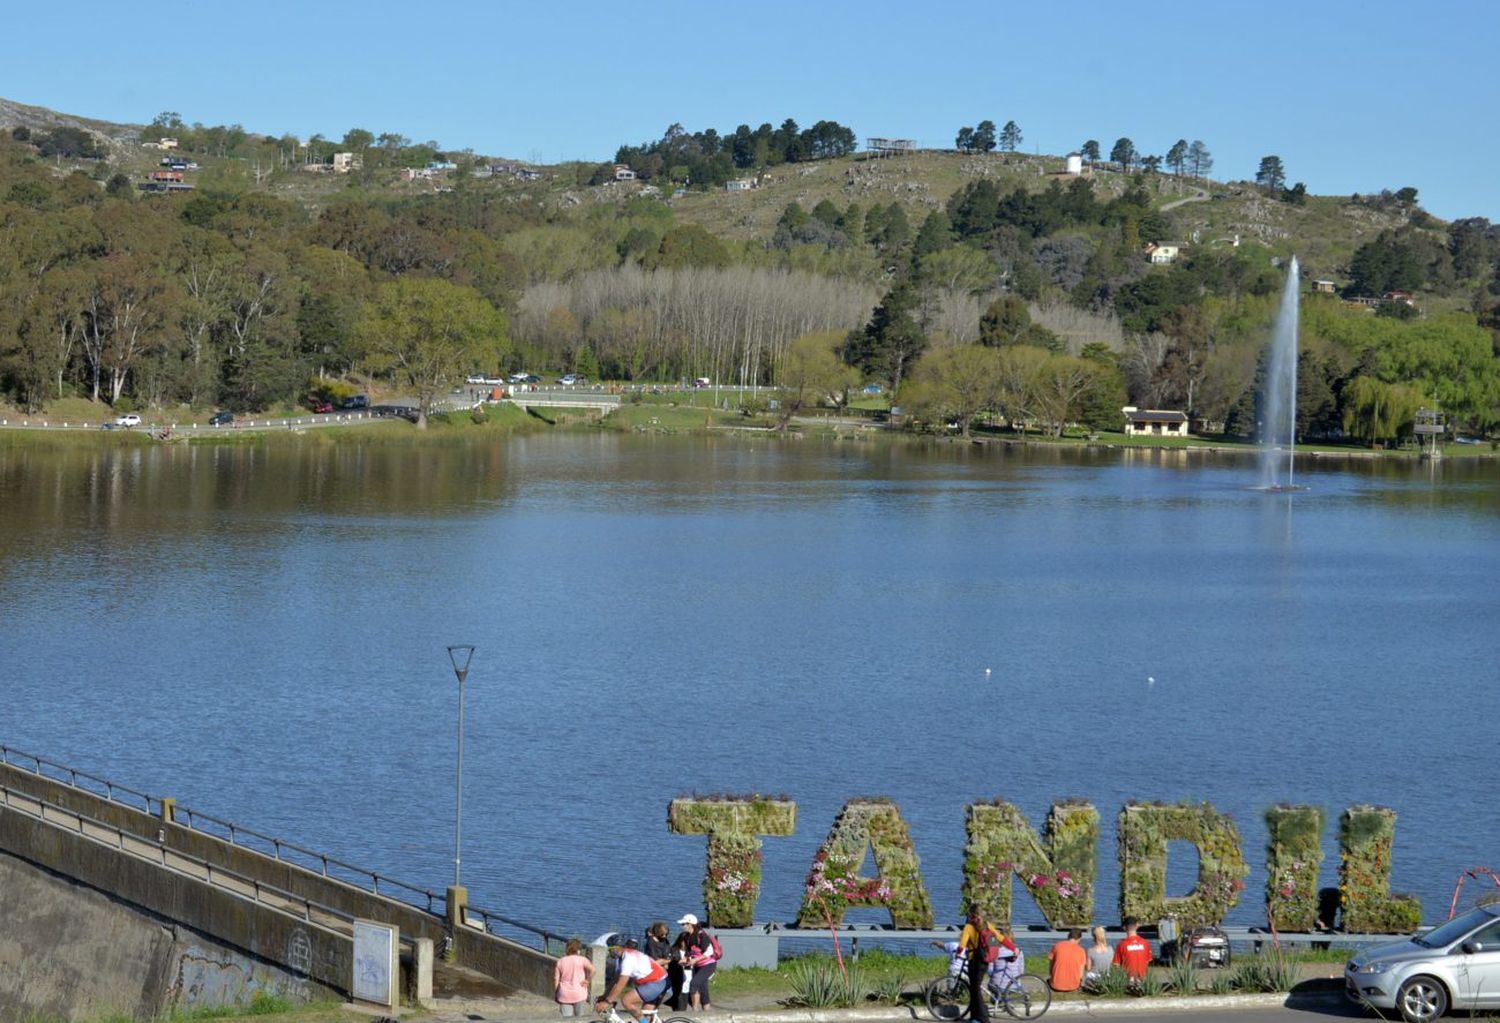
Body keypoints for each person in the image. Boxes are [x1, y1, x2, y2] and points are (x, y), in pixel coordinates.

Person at [595, 938, 668, 1021]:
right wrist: (605, 996)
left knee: (627, 1000)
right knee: (646, 1016)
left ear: (617, 948)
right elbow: (615, 981)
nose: (610, 952)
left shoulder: (628, 959)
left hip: (657, 982)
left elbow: (621, 983)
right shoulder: (622, 958)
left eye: (610, 949)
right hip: (656, 982)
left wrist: (607, 1002)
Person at [958, 905, 1001, 1023]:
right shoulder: (988, 925)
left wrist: (958, 953)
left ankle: (983, 1018)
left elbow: (962, 945)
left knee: (975, 990)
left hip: (974, 960)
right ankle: (974, 1016)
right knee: (973, 989)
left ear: (970, 915)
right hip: (984, 960)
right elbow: (998, 938)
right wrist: (1012, 948)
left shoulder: (968, 927)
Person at [678, 913, 717, 1011]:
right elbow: (689, 951)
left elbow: (709, 951)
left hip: (708, 965)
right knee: (703, 988)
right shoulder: (687, 936)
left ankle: (695, 1010)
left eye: (684, 924)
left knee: (694, 983)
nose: (682, 926)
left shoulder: (702, 935)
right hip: (697, 965)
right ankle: (707, 1011)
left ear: (690, 924)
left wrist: (695, 960)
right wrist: (686, 959)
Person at [554, 938, 595, 1016]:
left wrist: (556, 993)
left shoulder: (560, 961)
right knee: (579, 1018)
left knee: (566, 1019)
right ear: (578, 950)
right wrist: (588, 980)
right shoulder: (583, 960)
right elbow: (593, 970)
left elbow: (556, 979)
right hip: (579, 992)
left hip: (564, 993)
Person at [644, 922, 680, 1008]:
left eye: (666, 934)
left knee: (667, 991)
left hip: (663, 971)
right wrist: (668, 960)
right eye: (662, 934)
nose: (664, 936)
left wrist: (667, 960)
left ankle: (654, 1007)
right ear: (657, 932)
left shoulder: (664, 941)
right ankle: (651, 1008)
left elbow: (667, 955)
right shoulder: (651, 943)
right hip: (653, 971)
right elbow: (656, 961)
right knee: (660, 991)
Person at [1112, 916, 1153, 982]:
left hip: (1129, 979)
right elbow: (1147, 961)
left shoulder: (1121, 944)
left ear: (1124, 928)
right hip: (1143, 978)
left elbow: (1117, 964)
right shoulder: (1145, 943)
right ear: (1137, 926)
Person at [1047, 927, 1088, 992]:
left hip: (1055, 986)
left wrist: (1051, 974)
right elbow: (1081, 974)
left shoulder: (1057, 946)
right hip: (1074, 986)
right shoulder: (1081, 950)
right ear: (1080, 939)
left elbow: (1051, 965)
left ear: (1068, 936)